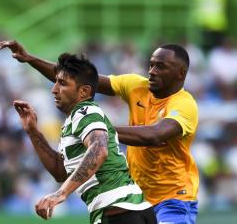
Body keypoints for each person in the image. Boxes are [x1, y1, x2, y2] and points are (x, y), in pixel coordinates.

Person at [0, 40, 199, 224]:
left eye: (161, 66)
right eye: (151, 64)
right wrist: (30, 59)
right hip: (138, 197)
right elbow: (81, 81)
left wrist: (99, 129)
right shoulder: (136, 87)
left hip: (173, 197)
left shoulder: (184, 105)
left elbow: (154, 135)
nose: (152, 71)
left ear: (181, 73)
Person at [13, 53, 156, 224]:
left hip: (120, 212)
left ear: (84, 91)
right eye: (55, 82)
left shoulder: (85, 111)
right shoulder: (73, 122)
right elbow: (60, 171)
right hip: (125, 212)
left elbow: (99, 149)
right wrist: (33, 132)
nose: (54, 89)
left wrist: (61, 193)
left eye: (63, 83)